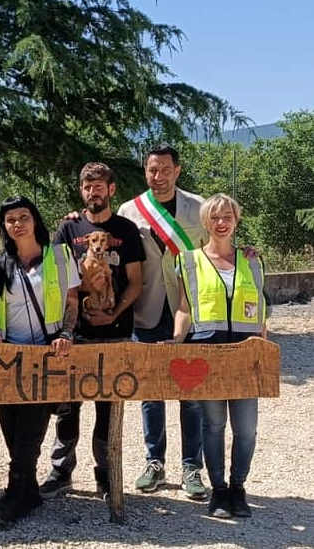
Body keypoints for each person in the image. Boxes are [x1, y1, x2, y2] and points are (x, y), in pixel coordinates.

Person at [41, 162, 144, 499]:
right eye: (87, 187)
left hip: (114, 332)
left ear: (111, 189)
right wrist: (83, 301)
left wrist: (113, 311)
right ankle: (61, 471)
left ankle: (106, 474)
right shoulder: (68, 230)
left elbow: (135, 282)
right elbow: (54, 278)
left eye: (99, 186)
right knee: (68, 405)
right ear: (81, 190)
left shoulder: (126, 230)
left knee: (108, 407)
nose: (93, 192)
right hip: (75, 333)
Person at [0, 196, 80, 523]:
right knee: (10, 426)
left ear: (35, 220)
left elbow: (72, 300)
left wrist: (66, 333)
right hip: (8, 355)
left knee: (32, 428)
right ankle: (30, 491)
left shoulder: (60, 256)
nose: (18, 224)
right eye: (10, 220)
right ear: (4, 226)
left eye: (23, 217)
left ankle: (14, 495)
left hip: (45, 356)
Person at [117, 144, 208, 499]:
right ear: (146, 172)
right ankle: (154, 462)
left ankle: (191, 467)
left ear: (177, 170)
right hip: (147, 308)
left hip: (190, 309)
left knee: (192, 391)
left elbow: (217, 246)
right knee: (150, 392)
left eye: (165, 169)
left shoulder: (198, 207)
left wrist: (243, 252)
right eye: (153, 170)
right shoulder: (130, 210)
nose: (159, 176)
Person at [174, 193, 267, 518]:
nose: (222, 222)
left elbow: (259, 311)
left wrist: (263, 349)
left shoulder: (252, 260)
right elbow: (185, 308)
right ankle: (219, 491)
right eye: (215, 217)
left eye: (227, 216)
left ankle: (238, 488)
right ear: (206, 222)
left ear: (236, 219)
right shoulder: (189, 260)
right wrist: (174, 342)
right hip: (207, 356)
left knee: (246, 430)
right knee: (213, 426)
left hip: (245, 356)